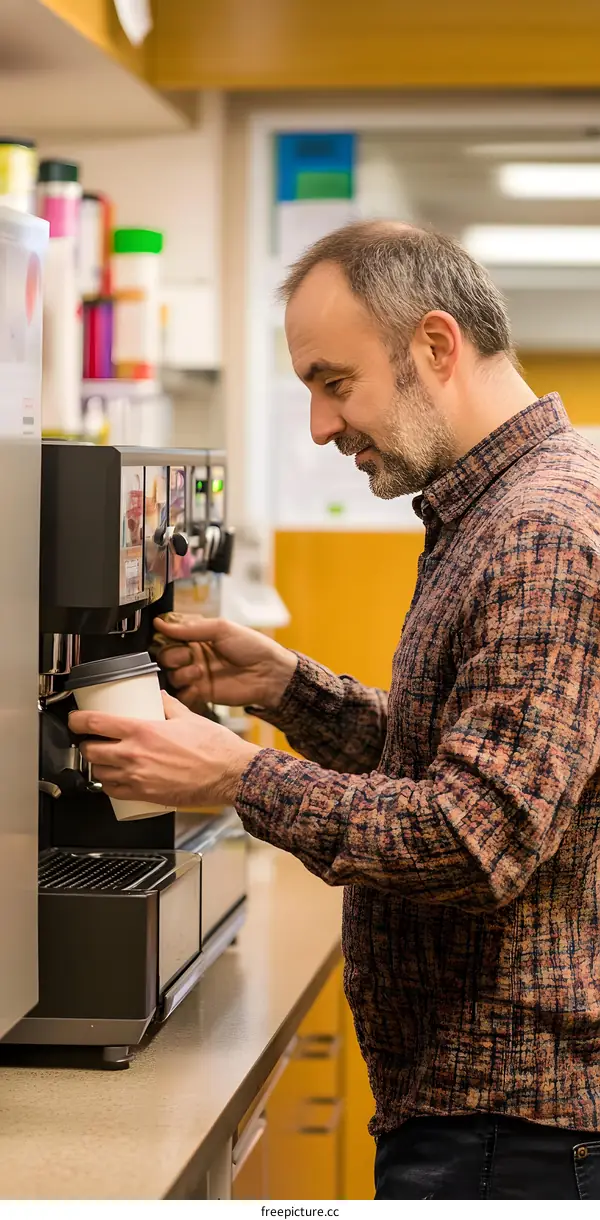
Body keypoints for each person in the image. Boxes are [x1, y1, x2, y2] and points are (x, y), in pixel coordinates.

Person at [70, 222, 600, 1201]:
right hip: (486, 1112)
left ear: (436, 346)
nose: (319, 423)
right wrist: (286, 687)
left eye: (334, 381)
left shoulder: (539, 527)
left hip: (514, 1126)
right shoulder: (498, 508)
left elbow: (477, 839)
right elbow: (463, 755)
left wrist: (236, 775)